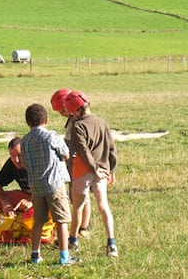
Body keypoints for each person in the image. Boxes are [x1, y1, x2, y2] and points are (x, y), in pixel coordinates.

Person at [64, 90, 118, 258]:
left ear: (76, 110)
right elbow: (112, 148)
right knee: (104, 206)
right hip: (102, 171)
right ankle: (112, 244)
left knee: (78, 206)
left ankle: (73, 240)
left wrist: (93, 169)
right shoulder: (102, 122)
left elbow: (83, 151)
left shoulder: (77, 126)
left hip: (83, 171)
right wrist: (111, 170)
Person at [21, 103, 77, 266]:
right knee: (61, 220)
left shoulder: (24, 141)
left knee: (38, 221)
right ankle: (64, 256)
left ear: (28, 122)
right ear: (46, 120)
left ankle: (35, 255)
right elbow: (66, 154)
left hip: (36, 187)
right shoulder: (51, 136)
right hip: (54, 184)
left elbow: (24, 161)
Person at [51, 88, 91, 239]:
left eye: (62, 111)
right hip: (70, 163)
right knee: (75, 196)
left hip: (78, 163)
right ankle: (79, 224)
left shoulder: (78, 121)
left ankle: (84, 227)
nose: (61, 114)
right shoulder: (72, 120)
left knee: (81, 196)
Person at [0, 137, 33, 216]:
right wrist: (6, 203)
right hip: (27, 196)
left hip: (44, 198)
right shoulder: (11, 163)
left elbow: (53, 192)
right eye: (12, 156)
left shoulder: (36, 163)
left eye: (19, 155)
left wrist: (33, 203)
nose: (16, 160)